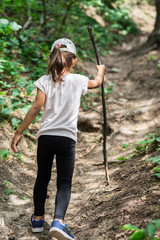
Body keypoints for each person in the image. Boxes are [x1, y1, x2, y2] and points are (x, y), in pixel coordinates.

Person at [11, 38, 106, 240]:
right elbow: (97, 83)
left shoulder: (44, 81)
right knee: (64, 181)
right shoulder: (79, 79)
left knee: (42, 177)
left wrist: (19, 132)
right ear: (74, 61)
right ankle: (58, 221)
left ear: (52, 58)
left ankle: (37, 219)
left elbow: (36, 108)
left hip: (46, 137)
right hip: (66, 139)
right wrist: (101, 71)